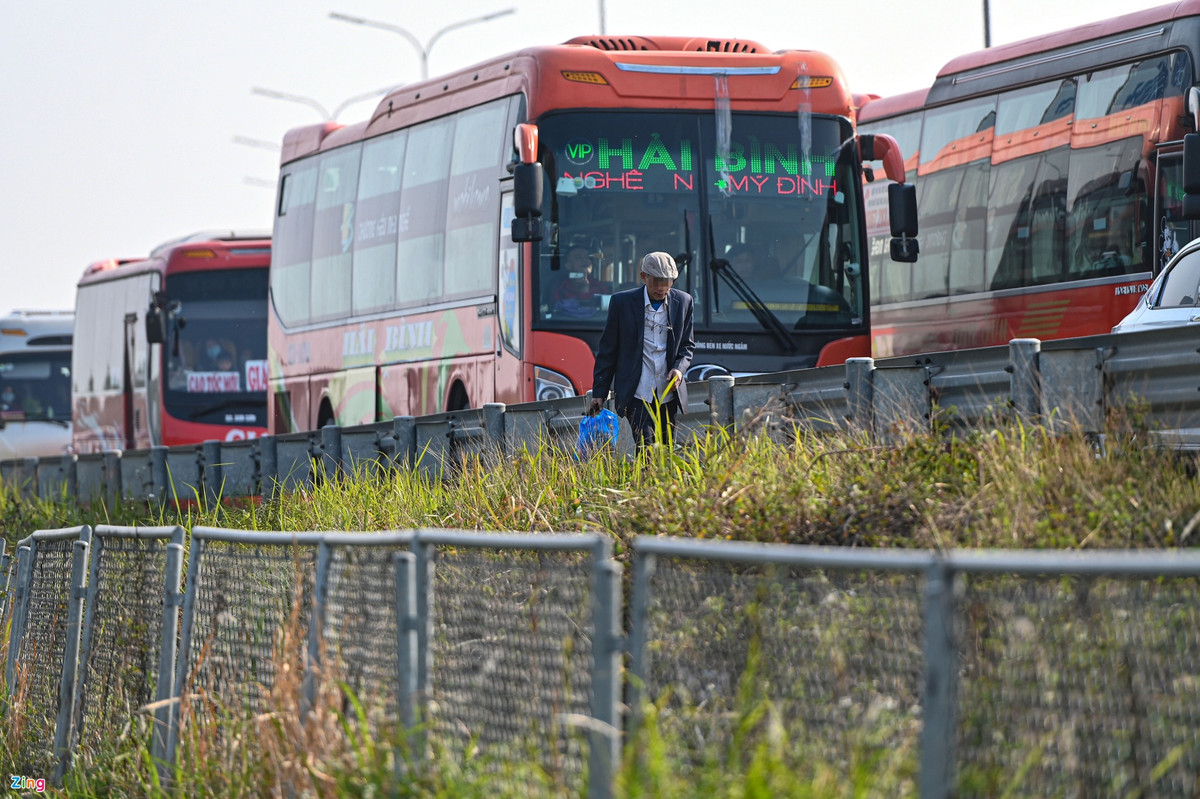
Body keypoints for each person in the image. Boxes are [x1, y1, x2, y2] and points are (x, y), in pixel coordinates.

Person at [588, 251, 695, 448]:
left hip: (668, 390)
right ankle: (643, 477)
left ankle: (661, 480)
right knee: (645, 445)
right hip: (636, 390)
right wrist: (599, 392)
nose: (662, 288)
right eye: (657, 282)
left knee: (666, 447)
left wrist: (679, 369)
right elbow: (608, 349)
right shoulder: (622, 303)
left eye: (668, 282)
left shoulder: (684, 302)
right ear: (644, 277)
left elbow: (687, 346)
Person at [552, 246, 608, 316]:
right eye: (578, 258)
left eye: (587, 257)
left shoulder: (601, 287)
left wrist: (585, 288)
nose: (585, 260)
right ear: (568, 266)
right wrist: (583, 289)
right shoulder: (561, 288)